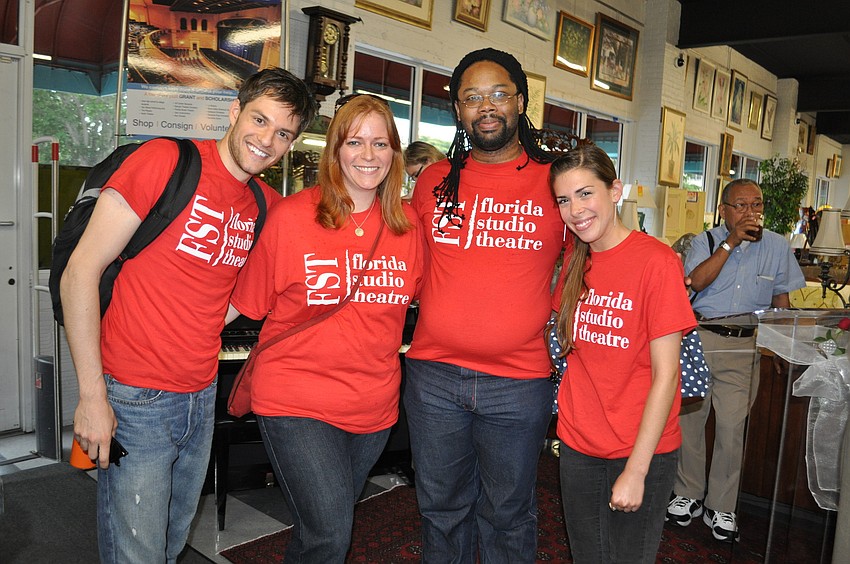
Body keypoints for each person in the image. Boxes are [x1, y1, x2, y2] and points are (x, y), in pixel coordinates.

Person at [60, 67, 316, 563]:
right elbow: (79, 274)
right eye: (259, 120)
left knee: (172, 542)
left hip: (200, 395)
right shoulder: (166, 162)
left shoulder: (265, 204)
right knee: (137, 550)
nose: (266, 140)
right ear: (235, 111)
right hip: (135, 396)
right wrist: (92, 398)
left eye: (283, 132)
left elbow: (244, 294)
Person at [228, 93, 425, 563]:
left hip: (373, 408)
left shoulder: (409, 226)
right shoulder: (292, 217)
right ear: (335, 149)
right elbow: (240, 305)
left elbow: (437, 303)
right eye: (355, 142)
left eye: (380, 143)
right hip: (297, 398)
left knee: (319, 533)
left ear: (395, 153)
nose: (368, 155)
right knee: (331, 531)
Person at [404, 48, 564, 563]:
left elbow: (591, 256)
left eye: (498, 94)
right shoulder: (433, 182)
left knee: (508, 513)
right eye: (472, 97)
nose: (486, 106)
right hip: (435, 380)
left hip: (519, 383)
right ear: (458, 110)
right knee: (440, 509)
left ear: (520, 101)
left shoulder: (556, 181)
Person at [549, 144, 695, 563]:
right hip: (578, 446)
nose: (575, 209)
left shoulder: (656, 262)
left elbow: (667, 375)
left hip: (639, 447)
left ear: (615, 191)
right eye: (564, 199)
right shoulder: (577, 260)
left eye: (585, 193)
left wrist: (637, 470)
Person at [666, 179, 805, 542]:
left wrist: (779, 346)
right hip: (699, 338)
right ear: (724, 209)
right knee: (691, 424)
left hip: (744, 346)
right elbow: (695, 281)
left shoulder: (777, 246)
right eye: (741, 206)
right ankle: (688, 494)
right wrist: (731, 243)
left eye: (756, 205)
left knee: (731, 428)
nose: (750, 213)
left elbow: (781, 302)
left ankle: (721, 505)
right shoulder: (705, 242)